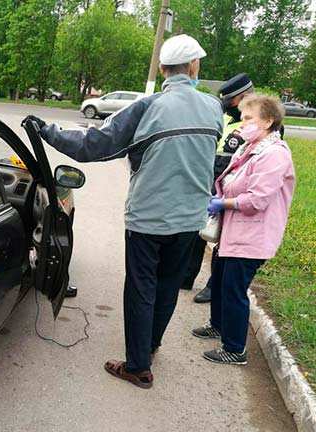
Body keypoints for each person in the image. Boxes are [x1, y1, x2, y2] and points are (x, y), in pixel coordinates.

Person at [24, 34, 223, 388]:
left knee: (141, 288)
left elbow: (95, 145)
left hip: (149, 218)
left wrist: (48, 132)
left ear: (162, 69)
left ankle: (137, 366)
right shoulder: (213, 109)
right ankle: (151, 343)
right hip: (191, 217)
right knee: (167, 286)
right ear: (194, 67)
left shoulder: (148, 108)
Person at [192, 94, 295, 365]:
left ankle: (235, 348)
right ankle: (218, 324)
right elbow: (230, 178)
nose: (243, 123)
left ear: (268, 121)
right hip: (233, 231)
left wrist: (223, 202)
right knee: (221, 279)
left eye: (249, 118)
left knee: (234, 289)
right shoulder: (251, 147)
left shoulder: (274, 154)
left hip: (252, 235)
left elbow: (258, 199)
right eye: (243, 117)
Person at [182, 74, 254, 303]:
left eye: (232, 100)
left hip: (236, 188)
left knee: (224, 238)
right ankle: (186, 277)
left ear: (244, 97)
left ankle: (214, 286)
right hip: (210, 181)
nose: (228, 104)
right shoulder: (223, 116)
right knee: (198, 230)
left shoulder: (258, 121)